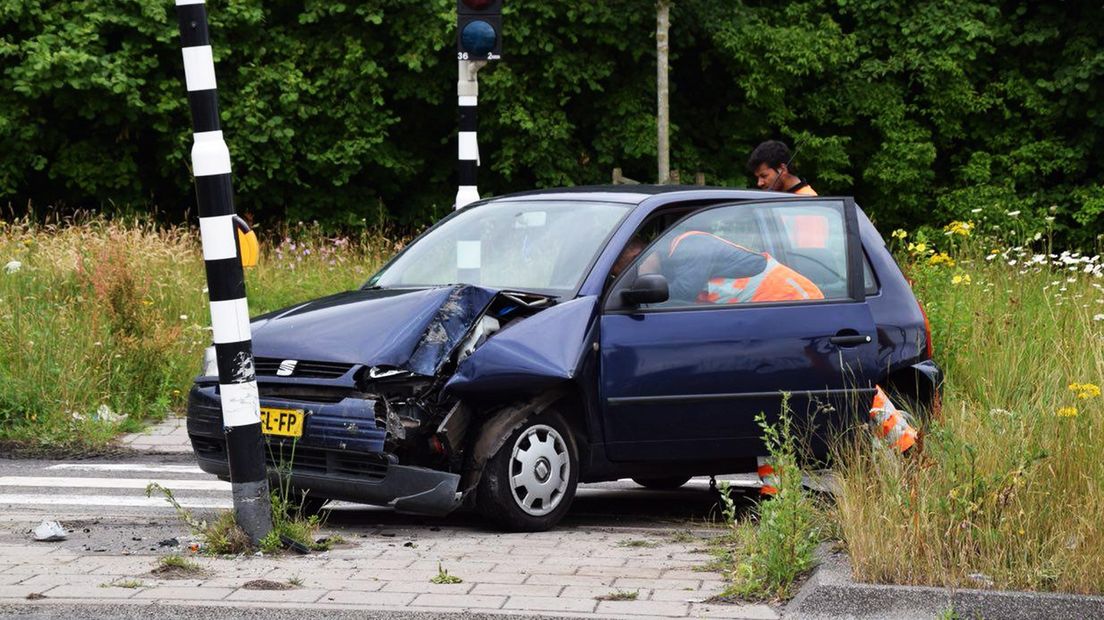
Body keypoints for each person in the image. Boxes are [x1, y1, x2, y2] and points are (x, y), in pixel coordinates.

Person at [662, 230, 823, 303]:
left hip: (794, 298)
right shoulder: (680, 254)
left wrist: (636, 289)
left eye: (637, 260)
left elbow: (685, 290)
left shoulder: (692, 246)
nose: (638, 269)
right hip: (769, 305)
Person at [747, 140, 817, 195]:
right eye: (758, 178)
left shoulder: (806, 200)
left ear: (783, 170)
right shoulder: (779, 197)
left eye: (764, 176)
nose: (759, 183)